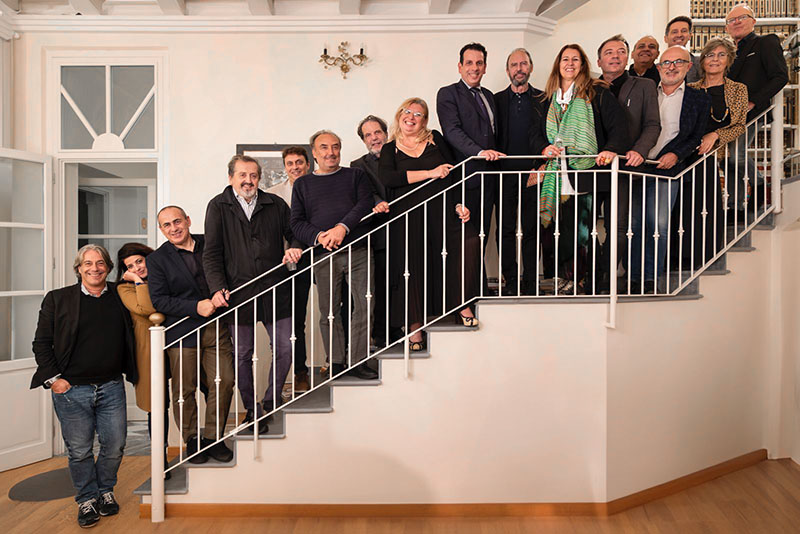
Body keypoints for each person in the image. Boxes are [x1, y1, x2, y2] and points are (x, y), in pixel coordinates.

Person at [31, 244, 137, 528]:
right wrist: (55, 380)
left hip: (111, 386)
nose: (94, 268)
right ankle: (87, 499)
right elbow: (41, 344)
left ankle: (105, 490)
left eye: (100, 263)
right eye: (87, 263)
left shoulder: (120, 295)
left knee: (115, 446)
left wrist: (138, 278)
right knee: (79, 450)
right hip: (71, 390)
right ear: (78, 269)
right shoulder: (58, 299)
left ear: (109, 268)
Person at [204, 155, 304, 433]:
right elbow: (211, 253)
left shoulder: (276, 204)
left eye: (253, 176)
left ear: (259, 178)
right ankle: (252, 409)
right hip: (238, 293)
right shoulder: (217, 206)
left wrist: (294, 246)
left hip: (275, 289)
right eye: (242, 175)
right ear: (231, 178)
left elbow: (295, 232)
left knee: (285, 347)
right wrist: (217, 288)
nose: (248, 181)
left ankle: (271, 400)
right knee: (242, 354)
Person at [379, 97, 481, 349]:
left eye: (418, 114)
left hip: (441, 208)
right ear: (399, 115)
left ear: (424, 120)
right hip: (408, 214)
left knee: (467, 243)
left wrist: (459, 203)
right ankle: (414, 329)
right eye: (407, 111)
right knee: (412, 267)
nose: (411, 117)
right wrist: (430, 173)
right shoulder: (389, 148)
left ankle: (462, 305)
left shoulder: (436, 139)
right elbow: (389, 178)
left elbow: (453, 173)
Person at [530, 44, 629, 294]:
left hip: (587, 171)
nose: (570, 64)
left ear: (583, 65)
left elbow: (619, 127)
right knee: (557, 229)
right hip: (555, 174)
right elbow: (534, 134)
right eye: (565, 59)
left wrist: (611, 149)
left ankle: (587, 282)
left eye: (575, 59)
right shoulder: (547, 98)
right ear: (558, 64)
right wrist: (543, 148)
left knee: (583, 230)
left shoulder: (597, 93)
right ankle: (562, 278)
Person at [147, 205, 235, 464]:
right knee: (184, 390)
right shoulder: (157, 259)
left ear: (187, 220)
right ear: (161, 230)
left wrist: (224, 291)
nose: (174, 228)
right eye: (167, 225)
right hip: (182, 331)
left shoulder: (212, 244)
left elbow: (231, 272)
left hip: (216, 326)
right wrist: (195, 307)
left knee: (224, 381)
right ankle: (193, 440)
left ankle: (213, 438)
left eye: (177, 221)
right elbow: (159, 300)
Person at [290, 130, 377, 380]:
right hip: (323, 254)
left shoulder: (355, 175)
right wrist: (320, 236)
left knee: (365, 306)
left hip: (358, 249)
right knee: (329, 311)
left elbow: (364, 204)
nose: (331, 152)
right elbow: (296, 222)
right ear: (314, 153)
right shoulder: (303, 184)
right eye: (325, 147)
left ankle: (359, 361)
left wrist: (342, 228)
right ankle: (336, 363)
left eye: (335, 146)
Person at [628, 46, 711, 292]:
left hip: (667, 168)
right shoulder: (645, 91)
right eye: (666, 62)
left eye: (678, 62)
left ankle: (651, 278)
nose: (671, 67)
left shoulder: (699, 98)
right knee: (635, 225)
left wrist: (676, 155)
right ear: (658, 67)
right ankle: (633, 278)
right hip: (637, 166)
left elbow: (695, 135)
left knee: (659, 225)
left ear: (689, 66)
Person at [596, 34, 661, 293]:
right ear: (599, 61)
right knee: (584, 226)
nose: (615, 56)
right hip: (590, 167)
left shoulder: (644, 85)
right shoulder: (587, 86)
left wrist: (640, 151)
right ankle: (589, 275)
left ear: (627, 57)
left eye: (620, 51)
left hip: (624, 167)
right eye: (609, 52)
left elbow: (653, 124)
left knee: (619, 227)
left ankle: (605, 278)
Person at [678, 36, 748, 269]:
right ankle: (680, 257)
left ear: (729, 60)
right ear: (702, 60)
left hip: (709, 156)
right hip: (685, 154)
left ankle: (704, 256)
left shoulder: (738, 90)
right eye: (709, 55)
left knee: (706, 206)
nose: (714, 59)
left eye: (721, 55)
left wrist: (715, 135)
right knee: (682, 206)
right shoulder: (689, 89)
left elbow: (739, 126)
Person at [437, 42, 505, 255]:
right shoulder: (448, 94)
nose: (474, 68)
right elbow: (452, 131)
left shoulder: (489, 96)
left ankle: (478, 277)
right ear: (460, 67)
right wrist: (479, 152)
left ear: (485, 67)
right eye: (469, 63)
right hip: (465, 178)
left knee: (483, 238)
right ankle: (465, 279)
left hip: (490, 178)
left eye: (479, 63)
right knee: (466, 241)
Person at [726, 3, 789, 211]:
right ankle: (735, 207)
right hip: (727, 115)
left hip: (751, 112)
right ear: (726, 27)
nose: (736, 22)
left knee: (737, 156)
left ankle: (760, 185)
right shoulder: (727, 52)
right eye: (731, 20)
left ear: (753, 21)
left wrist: (753, 102)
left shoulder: (765, 42)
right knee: (727, 160)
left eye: (741, 17)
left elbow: (780, 76)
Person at [115, 242, 170, 478]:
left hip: (175, 342)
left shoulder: (163, 275)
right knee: (156, 406)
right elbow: (148, 309)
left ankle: (201, 441)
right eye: (130, 266)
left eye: (139, 261)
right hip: (147, 349)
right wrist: (138, 281)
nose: (137, 267)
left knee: (189, 391)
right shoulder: (125, 288)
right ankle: (161, 458)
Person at [493, 47, 545, 295]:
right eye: (514, 65)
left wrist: (542, 165)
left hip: (534, 173)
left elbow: (551, 134)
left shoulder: (544, 99)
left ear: (531, 67)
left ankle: (532, 281)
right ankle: (511, 280)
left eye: (523, 64)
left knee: (532, 228)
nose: (519, 69)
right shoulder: (495, 100)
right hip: (502, 174)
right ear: (507, 70)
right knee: (505, 229)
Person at [269, 146, 313, 394]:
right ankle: (300, 372)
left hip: (320, 255)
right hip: (290, 262)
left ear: (308, 164)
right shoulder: (274, 194)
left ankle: (336, 361)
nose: (295, 167)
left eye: (299, 162)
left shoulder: (318, 186)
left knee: (333, 310)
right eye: (290, 163)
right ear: (285, 167)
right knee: (295, 318)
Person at [350, 115, 396, 347]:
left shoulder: (402, 154)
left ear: (386, 134)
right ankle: (382, 335)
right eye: (368, 135)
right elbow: (365, 193)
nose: (374, 138)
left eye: (377, 132)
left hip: (408, 227)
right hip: (379, 233)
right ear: (364, 140)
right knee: (381, 286)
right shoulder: (358, 165)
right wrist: (378, 202)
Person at [665, 15, 701, 83]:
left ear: (690, 36)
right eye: (674, 32)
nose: (679, 35)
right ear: (665, 38)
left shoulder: (700, 65)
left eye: (684, 31)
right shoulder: (658, 68)